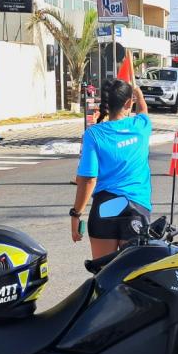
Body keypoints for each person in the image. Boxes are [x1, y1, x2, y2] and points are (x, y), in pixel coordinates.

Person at [71, 79, 152, 259]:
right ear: (128, 103)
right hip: (136, 208)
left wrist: (76, 214)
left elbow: (88, 179)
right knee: (133, 271)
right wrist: (138, 94)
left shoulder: (94, 134)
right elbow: (143, 110)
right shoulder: (141, 126)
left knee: (104, 271)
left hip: (106, 208)